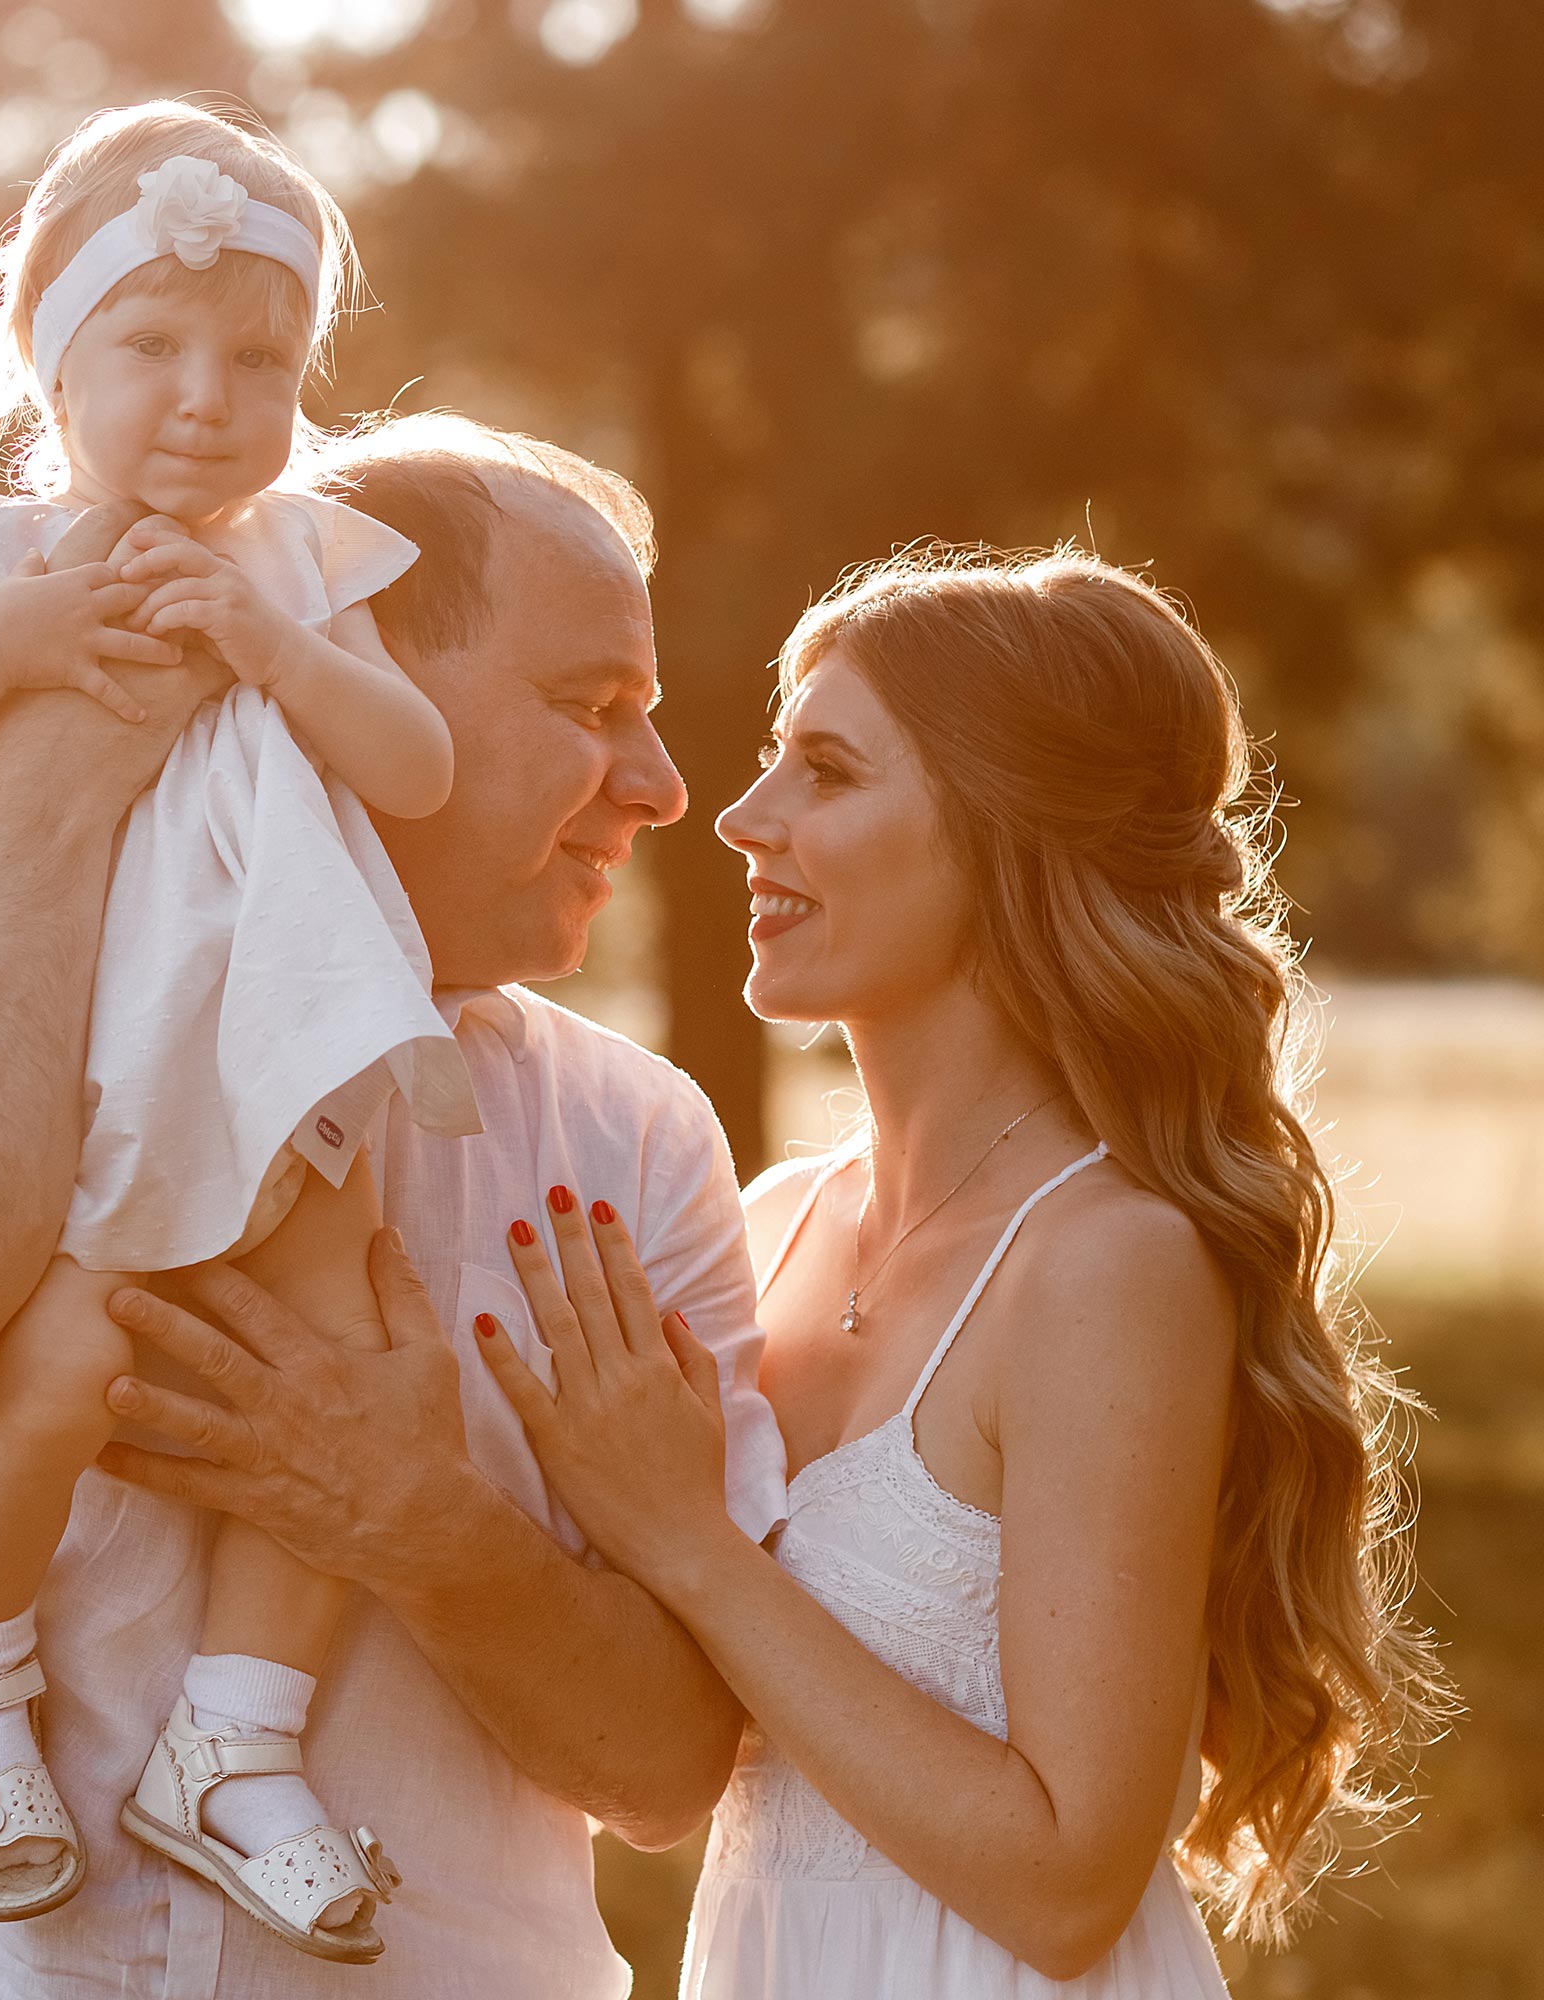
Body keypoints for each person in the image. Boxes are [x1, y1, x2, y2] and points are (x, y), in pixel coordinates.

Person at [0, 411, 788, 1998]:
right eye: (592, 706)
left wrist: (423, 1521)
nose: (667, 785)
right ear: (330, 667)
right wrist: (64, 783)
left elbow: (671, 1769)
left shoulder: (628, 1138)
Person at [420, 548, 1438, 1994]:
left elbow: (1073, 1878)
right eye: (775, 760)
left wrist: (691, 1547)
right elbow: (684, 1772)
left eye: (828, 773)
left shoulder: (1105, 1261)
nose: (747, 819)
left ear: (1002, 828)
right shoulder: (765, 1224)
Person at [0, 99, 485, 1947]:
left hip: (277, 1054)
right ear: (48, 357)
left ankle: (235, 1746)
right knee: (58, 1377)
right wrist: (4, 645)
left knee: (325, 1370)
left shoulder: (309, 564)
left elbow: (412, 770)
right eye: (151, 347)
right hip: (79, 1064)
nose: (205, 396)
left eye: (260, 358)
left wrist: (275, 648)